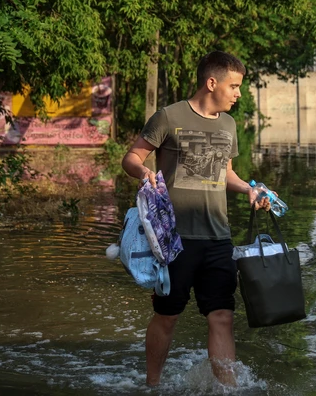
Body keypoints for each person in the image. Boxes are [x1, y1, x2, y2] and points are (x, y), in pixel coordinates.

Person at [121, 51, 270, 387]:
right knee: (167, 316)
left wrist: (248, 188)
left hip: (218, 238)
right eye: (234, 86)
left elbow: (225, 173)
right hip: (173, 240)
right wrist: (142, 170)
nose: (238, 93)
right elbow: (131, 155)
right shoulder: (168, 116)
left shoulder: (229, 124)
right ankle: (153, 385)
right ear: (211, 82)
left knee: (222, 316)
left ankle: (227, 390)